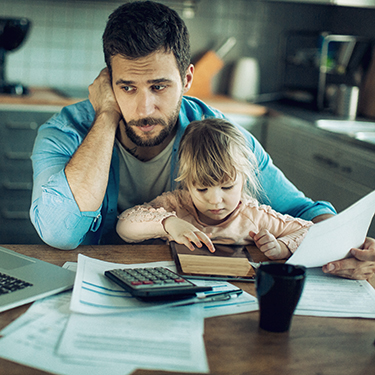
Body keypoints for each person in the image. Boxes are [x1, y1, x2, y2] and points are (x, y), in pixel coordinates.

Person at [29, 1, 375, 279]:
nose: (144, 108)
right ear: (107, 82)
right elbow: (60, 232)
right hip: (91, 285)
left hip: (192, 290)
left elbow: (305, 213)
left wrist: (348, 248)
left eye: (160, 86)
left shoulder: (219, 136)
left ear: (187, 79)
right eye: (127, 87)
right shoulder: (66, 131)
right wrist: (106, 117)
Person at [116, 118, 314, 260]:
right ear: (188, 183)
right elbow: (124, 226)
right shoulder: (176, 205)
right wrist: (169, 224)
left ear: (243, 180)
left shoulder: (255, 216)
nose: (215, 200)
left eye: (227, 187)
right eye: (202, 189)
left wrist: (282, 248)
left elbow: (311, 231)